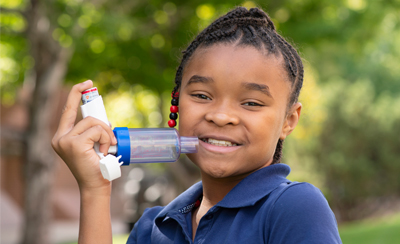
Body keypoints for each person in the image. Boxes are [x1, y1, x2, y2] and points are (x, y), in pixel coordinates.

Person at [52, 6, 342, 244]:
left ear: (288, 121)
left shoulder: (294, 208)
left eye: (251, 102)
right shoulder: (153, 228)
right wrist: (95, 190)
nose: (220, 115)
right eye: (202, 96)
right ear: (176, 103)